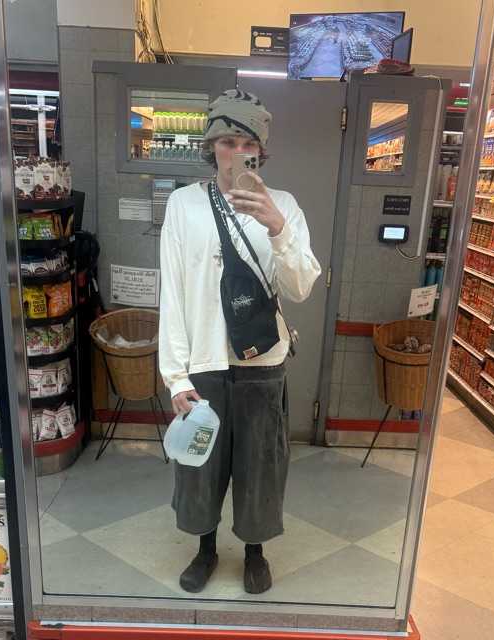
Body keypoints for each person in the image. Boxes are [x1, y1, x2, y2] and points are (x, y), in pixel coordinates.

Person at [159, 89, 321, 595]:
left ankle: (254, 552)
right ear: (211, 147)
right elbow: (172, 292)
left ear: (261, 151)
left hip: (262, 364)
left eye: (248, 143)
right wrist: (176, 377)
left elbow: (301, 286)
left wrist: (277, 228)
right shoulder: (183, 204)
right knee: (200, 467)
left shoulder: (284, 206)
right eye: (227, 141)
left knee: (260, 468)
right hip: (203, 364)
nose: (237, 153)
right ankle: (206, 549)